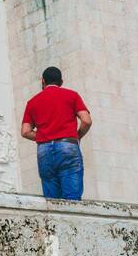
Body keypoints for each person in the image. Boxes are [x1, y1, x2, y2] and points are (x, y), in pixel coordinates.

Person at [21, 66, 92, 200]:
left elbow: (25, 131)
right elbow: (86, 121)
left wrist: (43, 135)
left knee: (52, 201)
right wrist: (78, 135)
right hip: (67, 147)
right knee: (72, 199)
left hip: (44, 150)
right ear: (61, 81)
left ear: (43, 81)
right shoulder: (72, 95)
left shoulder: (32, 102)